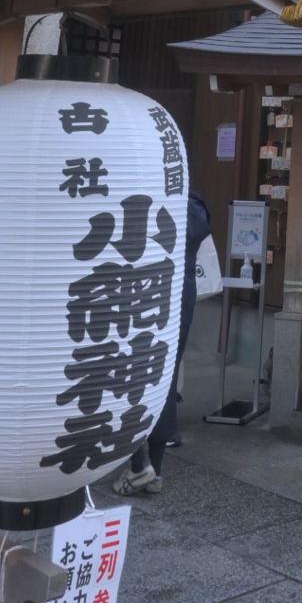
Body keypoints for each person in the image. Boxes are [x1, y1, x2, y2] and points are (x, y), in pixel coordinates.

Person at [113, 187, 210, 495]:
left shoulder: (144, 198)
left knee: (123, 381)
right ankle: (153, 472)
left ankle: (140, 465)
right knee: (163, 385)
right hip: (177, 307)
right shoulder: (192, 205)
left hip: (141, 306)